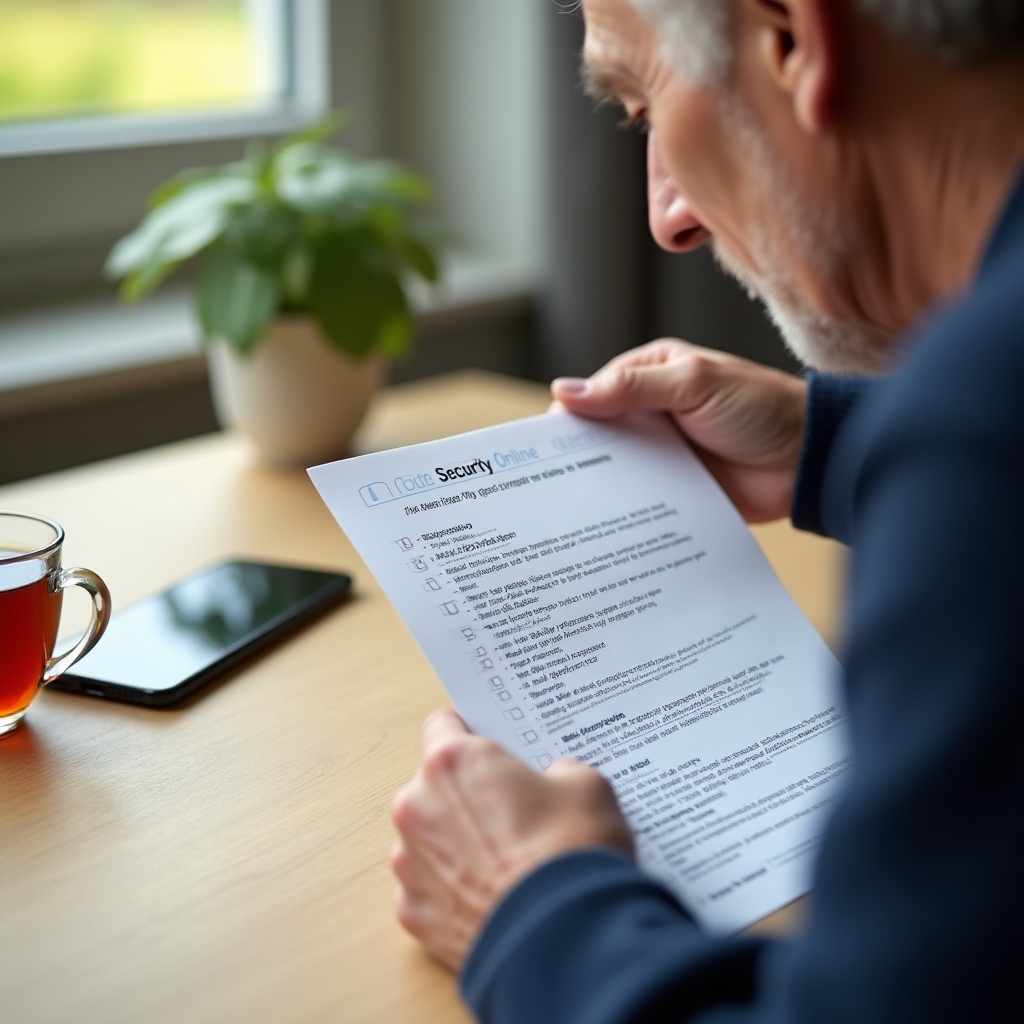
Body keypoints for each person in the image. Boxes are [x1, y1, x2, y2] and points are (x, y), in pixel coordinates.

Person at [389, 0, 1024, 1020]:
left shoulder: (984, 407)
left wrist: (532, 912)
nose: (668, 219)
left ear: (789, 39)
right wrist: (834, 443)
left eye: (644, 104)